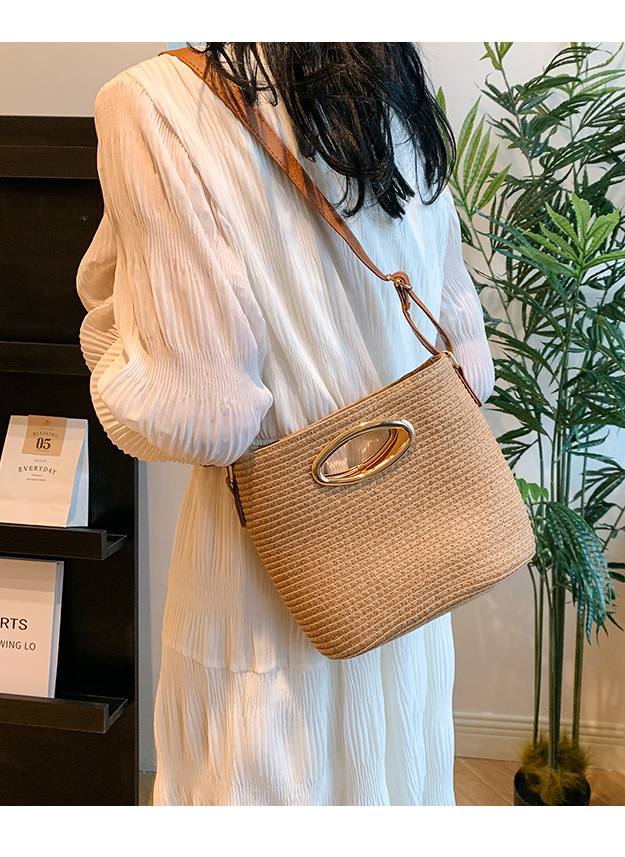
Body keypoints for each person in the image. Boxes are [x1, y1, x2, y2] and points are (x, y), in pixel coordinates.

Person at [77, 42, 494, 806]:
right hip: (410, 579)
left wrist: (107, 346)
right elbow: (468, 362)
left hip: (266, 586)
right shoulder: (391, 77)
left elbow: (203, 415)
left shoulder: (152, 102)